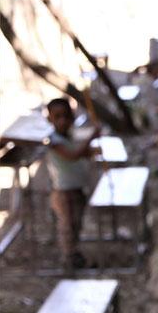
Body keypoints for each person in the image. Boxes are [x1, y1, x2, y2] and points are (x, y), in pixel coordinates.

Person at [45, 98, 98, 270]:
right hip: (64, 192)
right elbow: (72, 155)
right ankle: (69, 260)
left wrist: (90, 150)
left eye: (66, 116)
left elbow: (78, 154)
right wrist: (91, 138)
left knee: (76, 224)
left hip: (75, 189)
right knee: (68, 227)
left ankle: (74, 255)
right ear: (50, 119)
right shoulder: (53, 141)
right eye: (57, 116)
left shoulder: (67, 136)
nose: (62, 120)